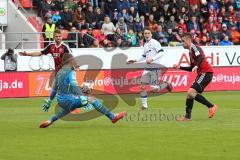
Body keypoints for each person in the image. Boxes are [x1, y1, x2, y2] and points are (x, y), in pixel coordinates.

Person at [39, 54, 126, 128]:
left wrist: (49, 101)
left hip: (61, 101)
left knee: (66, 110)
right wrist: (82, 97)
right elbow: (74, 85)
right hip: (69, 100)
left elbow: (54, 89)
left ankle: (50, 120)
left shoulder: (59, 72)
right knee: (92, 99)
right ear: (70, 61)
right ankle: (112, 117)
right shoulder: (71, 72)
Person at [173, 33, 218, 121]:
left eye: (183, 41)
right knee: (190, 95)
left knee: (190, 92)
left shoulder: (194, 47)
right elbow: (191, 68)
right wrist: (180, 67)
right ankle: (187, 117)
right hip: (202, 74)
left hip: (206, 73)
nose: (182, 43)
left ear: (189, 40)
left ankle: (211, 106)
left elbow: (200, 57)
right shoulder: (190, 52)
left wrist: (197, 65)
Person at [127, 27, 172, 110]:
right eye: (145, 33)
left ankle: (166, 84)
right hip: (147, 68)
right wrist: (135, 60)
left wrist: (152, 59)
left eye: (148, 33)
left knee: (154, 89)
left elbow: (161, 52)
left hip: (155, 67)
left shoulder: (155, 42)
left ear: (151, 34)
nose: (147, 34)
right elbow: (144, 56)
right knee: (142, 87)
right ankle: (145, 106)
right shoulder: (145, 44)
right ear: (143, 35)